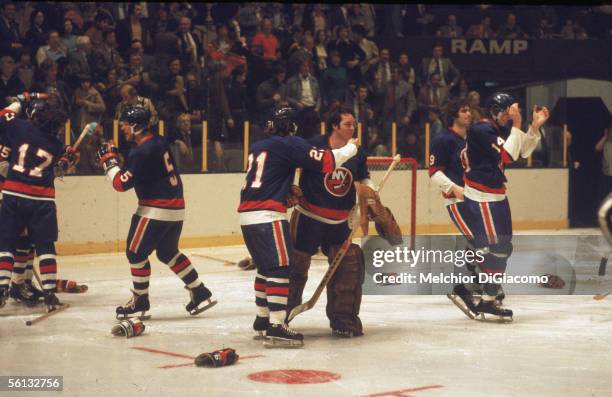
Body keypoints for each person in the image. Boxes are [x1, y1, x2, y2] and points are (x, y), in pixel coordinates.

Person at [238, 106, 360, 347]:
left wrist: (286, 191)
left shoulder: (258, 146)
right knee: (281, 269)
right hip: (267, 216)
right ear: (290, 126)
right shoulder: (289, 143)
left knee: (264, 268)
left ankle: (262, 320)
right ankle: (276, 325)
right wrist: (352, 147)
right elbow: (328, 162)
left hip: (248, 215)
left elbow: (267, 178)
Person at [287, 107, 400, 338]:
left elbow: (363, 176)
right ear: (335, 126)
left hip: (339, 220)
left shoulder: (357, 152)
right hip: (309, 218)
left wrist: (370, 190)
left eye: (354, 124)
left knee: (348, 268)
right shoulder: (314, 145)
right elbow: (290, 168)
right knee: (294, 268)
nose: (353, 128)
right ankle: (281, 315)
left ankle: (343, 319)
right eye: (348, 124)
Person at [95, 106, 217, 319]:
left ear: (134, 125)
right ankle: (199, 290)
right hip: (176, 208)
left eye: (124, 123)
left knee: (135, 252)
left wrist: (109, 163)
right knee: (168, 252)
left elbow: (120, 184)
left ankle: (140, 300)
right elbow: (143, 170)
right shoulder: (159, 141)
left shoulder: (141, 151)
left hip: (155, 209)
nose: (122, 127)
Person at [452, 92, 549, 320]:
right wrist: (517, 125)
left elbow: (522, 151)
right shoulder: (481, 129)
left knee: (503, 248)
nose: (510, 116)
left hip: (496, 196)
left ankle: (482, 295)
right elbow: (508, 156)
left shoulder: (496, 130)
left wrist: (534, 128)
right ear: (497, 110)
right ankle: (474, 291)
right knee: (496, 249)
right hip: (482, 197)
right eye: (508, 112)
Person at [0, 94, 75, 310]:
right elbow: (60, 167)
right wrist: (66, 160)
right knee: (44, 245)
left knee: (8, 242)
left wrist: (23, 98)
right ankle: (49, 293)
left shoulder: (19, 127)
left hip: (13, 193)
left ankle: (6, 286)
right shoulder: (55, 143)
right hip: (41, 199)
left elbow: (5, 114)